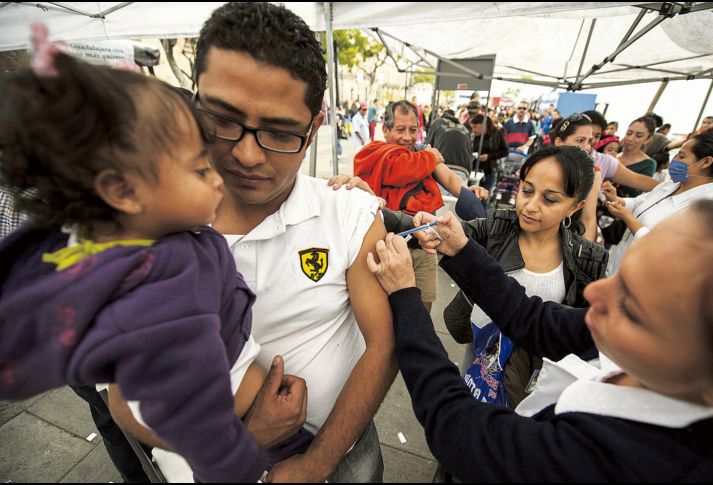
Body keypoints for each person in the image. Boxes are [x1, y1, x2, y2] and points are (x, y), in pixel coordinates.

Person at [0, 45, 310, 482]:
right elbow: (142, 406)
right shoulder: (166, 272)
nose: (220, 178)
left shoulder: (165, 240)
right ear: (125, 192)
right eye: (201, 170)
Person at [367, 192, 713, 482]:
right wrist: (461, 249)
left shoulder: (636, 462)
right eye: (622, 277)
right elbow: (535, 320)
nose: (595, 293)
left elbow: (460, 430)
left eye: (632, 307)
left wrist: (406, 298)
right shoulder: (677, 346)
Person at [186, 4, 397, 481]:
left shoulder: (350, 214)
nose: (246, 153)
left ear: (314, 126)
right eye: (221, 118)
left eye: (280, 132)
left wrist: (316, 462)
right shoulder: (157, 223)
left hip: (343, 446)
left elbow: (383, 344)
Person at [443, 145, 607, 407]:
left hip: (530, 372)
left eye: (550, 199)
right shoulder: (496, 228)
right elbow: (441, 232)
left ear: (575, 207)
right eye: (527, 191)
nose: (530, 206)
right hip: (478, 346)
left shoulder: (587, 260)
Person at [354, 100, 479, 312]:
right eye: (400, 129)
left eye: (413, 130)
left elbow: (449, 179)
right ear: (385, 130)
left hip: (424, 248)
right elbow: (401, 169)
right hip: (386, 247)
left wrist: (468, 192)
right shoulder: (376, 154)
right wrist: (428, 157)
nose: (407, 137)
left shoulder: (423, 153)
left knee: (422, 314)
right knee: (384, 314)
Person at [602, 130, 713, 276]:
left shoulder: (708, 208)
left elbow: (668, 248)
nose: (675, 160)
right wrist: (616, 199)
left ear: (706, 162)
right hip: (619, 269)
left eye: (682, 155)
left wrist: (629, 219)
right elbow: (638, 203)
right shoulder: (671, 185)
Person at [549, 114, 602, 241]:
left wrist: (584, 256)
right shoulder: (538, 165)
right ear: (559, 142)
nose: (587, 147)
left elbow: (588, 219)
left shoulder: (593, 172)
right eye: (580, 140)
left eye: (589, 141)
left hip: (565, 241)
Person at [615, 116, 659, 198]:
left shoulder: (648, 164)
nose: (630, 138)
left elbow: (635, 192)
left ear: (648, 139)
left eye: (638, 136)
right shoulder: (614, 155)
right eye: (629, 133)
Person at [469, 113, 509, 197]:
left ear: (483, 125)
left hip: (490, 170)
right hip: (474, 169)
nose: (473, 130)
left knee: (484, 198)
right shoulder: (473, 136)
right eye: (472, 127)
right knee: (471, 196)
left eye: (475, 127)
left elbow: (505, 152)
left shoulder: (497, 134)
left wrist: (489, 156)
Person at [426, 107, 473, 172]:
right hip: (464, 170)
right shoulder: (465, 129)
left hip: (443, 165)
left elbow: (427, 145)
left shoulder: (437, 122)